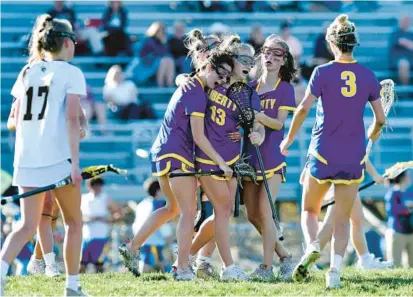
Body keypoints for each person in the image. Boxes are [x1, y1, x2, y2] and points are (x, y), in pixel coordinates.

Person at [280, 14, 386, 288]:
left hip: (323, 151)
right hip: (353, 156)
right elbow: (380, 119)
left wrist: (288, 140)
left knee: (309, 210)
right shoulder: (368, 75)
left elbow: (303, 108)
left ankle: (313, 245)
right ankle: (334, 273)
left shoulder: (322, 72)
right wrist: (372, 135)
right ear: (355, 44)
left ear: (331, 43)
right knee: (341, 216)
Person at [118, 48, 234, 281]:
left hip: (163, 152)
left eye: (227, 77)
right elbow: (199, 137)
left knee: (172, 208)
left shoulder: (192, 85)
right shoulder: (198, 92)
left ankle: (132, 247)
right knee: (188, 213)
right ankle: (181, 268)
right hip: (178, 154)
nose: (222, 80)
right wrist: (221, 162)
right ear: (209, 67)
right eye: (221, 74)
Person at [0, 14, 88, 296]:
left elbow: (12, 120)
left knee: (26, 225)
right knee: (74, 222)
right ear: (66, 42)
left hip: (26, 161)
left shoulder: (27, 71)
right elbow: (72, 121)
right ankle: (72, 287)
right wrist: (75, 164)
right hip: (57, 159)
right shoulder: (71, 72)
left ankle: (1, 275)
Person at [241, 34, 297, 281]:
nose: (270, 57)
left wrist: (259, 116)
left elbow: (279, 123)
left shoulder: (285, 89)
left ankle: (266, 269)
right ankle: (284, 256)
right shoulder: (249, 88)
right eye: (267, 51)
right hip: (249, 157)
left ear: (284, 60)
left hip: (273, 158)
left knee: (265, 210)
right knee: (253, 215)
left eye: (277, 53)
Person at [300, 159, 393, 270]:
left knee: (357, 219)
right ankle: (308, 260)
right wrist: (375, 175)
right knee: (330, 224)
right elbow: (360, 153)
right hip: (340, 178)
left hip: (347, 176)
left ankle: (365, 259)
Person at [132, 178, 173, 274]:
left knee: (153, 260)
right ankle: (138, 279)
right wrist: (168, 237)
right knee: (150, 263)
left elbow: (136, 223)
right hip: (154, 240)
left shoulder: (142, 204)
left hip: (143, 239)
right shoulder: (158, 204)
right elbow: (163, 223)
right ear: (159, 190)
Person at [80, 177, 120, 273]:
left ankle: (101, 283)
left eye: (99, 185)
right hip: (86, 235)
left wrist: (107, 219)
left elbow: (118, 214)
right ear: (90, 186)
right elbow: (76, 217)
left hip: (101, 235)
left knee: (98, 263)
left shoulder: (105, 198)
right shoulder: (83, 198)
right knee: (82, 263)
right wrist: (88, 220)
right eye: (95, 185)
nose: (97, 188)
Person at [385, 170, 413, 267]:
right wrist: (407, 208)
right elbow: (392, 210)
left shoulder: (410, 193)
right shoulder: (393, 193)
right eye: (408, 175)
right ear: (402, 178)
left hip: (410, 231)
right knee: (395, 263)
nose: (410, 177)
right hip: (397, 232)